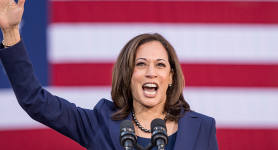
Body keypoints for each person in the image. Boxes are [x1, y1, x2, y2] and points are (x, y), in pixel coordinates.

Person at [0, 0, 218, 150]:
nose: (151, 73)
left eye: (160, 65)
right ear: (128, 74)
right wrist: (11, 33)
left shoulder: (201, 128)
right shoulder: (99, 123)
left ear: (171, 77)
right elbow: (35, 100)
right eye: (141, 64)